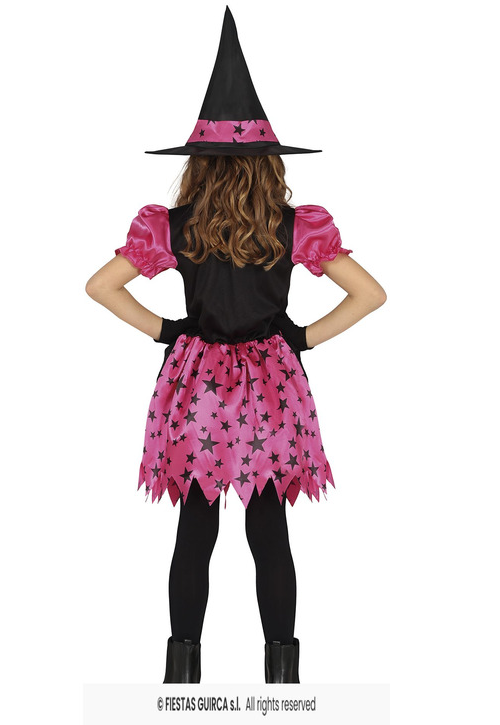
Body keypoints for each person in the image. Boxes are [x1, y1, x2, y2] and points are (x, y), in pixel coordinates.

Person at [85, 6, 386, 684]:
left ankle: (180, 679)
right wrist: (300, 337)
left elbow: (101, 286)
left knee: (195, 527)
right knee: (269, 527)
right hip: (271, 384)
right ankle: (283, 680)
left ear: (198, 165)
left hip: (197, 385)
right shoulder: (294, 225)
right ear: (268, 163)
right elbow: (370, 294)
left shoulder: (174, 225)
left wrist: (170, 330)